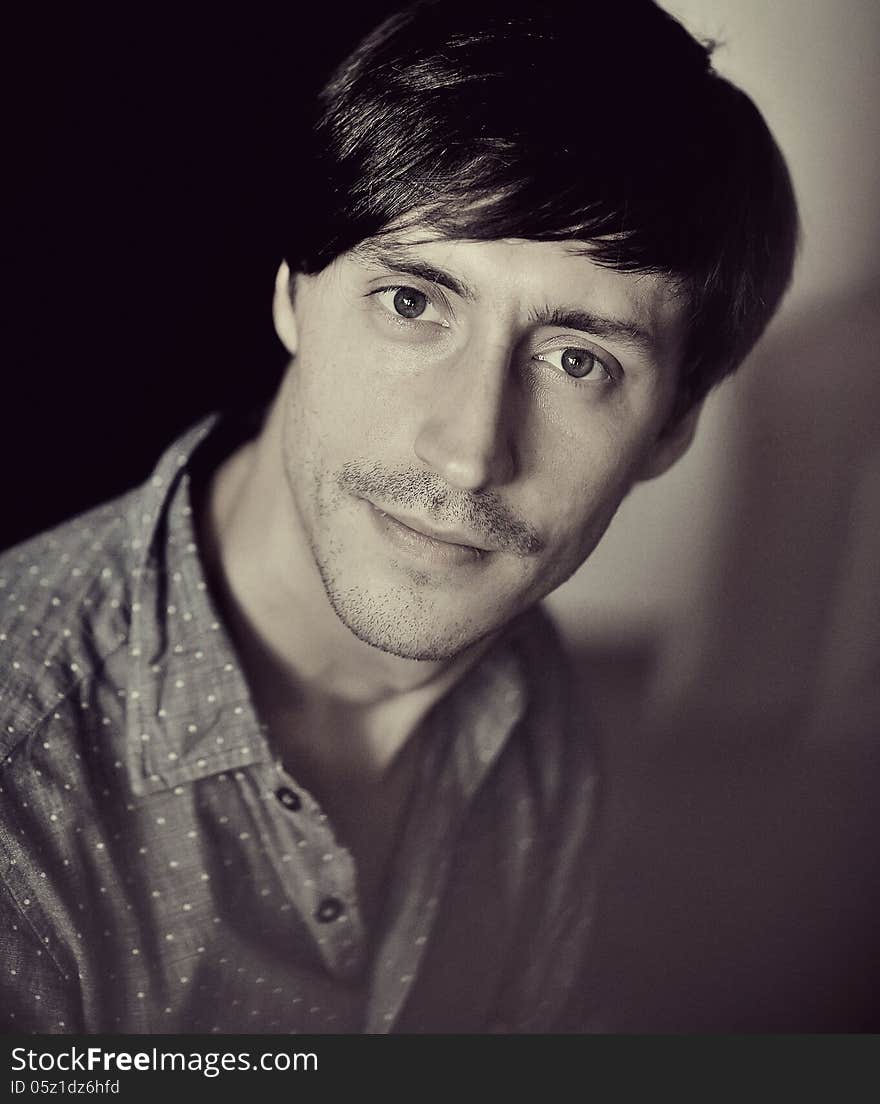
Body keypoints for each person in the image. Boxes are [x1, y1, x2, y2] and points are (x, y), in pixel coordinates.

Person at [0, 0, 797, 1033]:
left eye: (577, 359)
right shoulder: (26, 789)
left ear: (669, 431)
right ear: (293, 294)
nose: (469, 451)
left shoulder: (536, 705)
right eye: (414, 303)